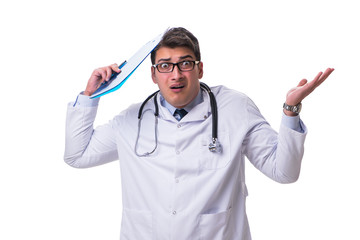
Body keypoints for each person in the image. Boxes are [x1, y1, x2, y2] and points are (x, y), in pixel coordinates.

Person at [64, 27, 334, 240]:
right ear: (153, 75)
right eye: (165, 66)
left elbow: (284, 172)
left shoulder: (235, 108)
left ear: (200, 68)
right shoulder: (130, 119)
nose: (176, 74)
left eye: (185, 63)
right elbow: (77, 156)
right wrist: (90, 96)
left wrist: (290, 110)